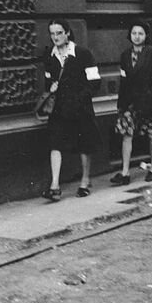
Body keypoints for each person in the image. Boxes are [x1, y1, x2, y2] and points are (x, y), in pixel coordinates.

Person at [40, 19, 102, 201]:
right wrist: (51, 87)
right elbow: (48, 80)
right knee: (55, 143)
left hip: (80, 108)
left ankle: (84, 181)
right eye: (52, 34)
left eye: (59, 33)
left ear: (67, 33)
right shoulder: (49, 56)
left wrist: (79, 97)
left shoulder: (83, 54)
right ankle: (55, 186)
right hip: (59, 108)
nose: (55, 37)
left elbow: (95, 82)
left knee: (84, 144)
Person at [112, 19, 152, 185]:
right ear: (129, 35)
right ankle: (125, 173)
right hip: (131, 103)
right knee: (127, 134)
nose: (136, 37)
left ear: (146, 36)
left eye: (140, 34)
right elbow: (123, 81)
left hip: (149, 103)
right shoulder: (125, 55)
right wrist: (121, 104)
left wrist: (150, 93)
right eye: (134, 33)